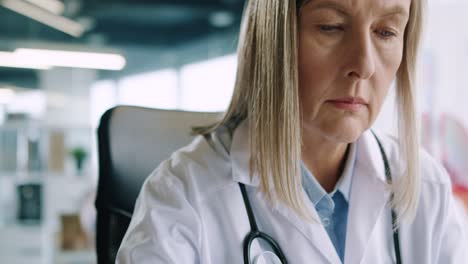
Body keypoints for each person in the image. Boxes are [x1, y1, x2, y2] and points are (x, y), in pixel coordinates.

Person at [116, 0, 468, 263]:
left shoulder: (428, 191)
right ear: (273, 41)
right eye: (331, 26)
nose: (363, 64)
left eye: (386, 32)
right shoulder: (180, 200)